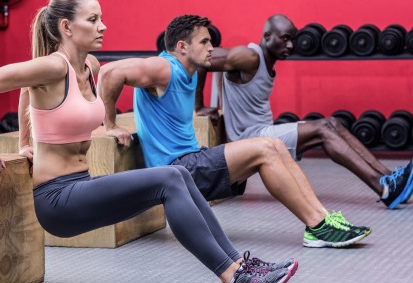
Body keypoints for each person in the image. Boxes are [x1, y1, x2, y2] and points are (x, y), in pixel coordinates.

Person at [0, 0, 298, 283]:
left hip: (82, 185)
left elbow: (27, 91)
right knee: (168, 178)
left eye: (101, 18)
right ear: (66, 27)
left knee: (180, 172)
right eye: (92, 20)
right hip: (57, 199)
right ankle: (232, 277)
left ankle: (239, 266)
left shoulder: (90, 66)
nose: (103, 26)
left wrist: (29, 139)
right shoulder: (52, 66)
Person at [98, 14, 371, 249]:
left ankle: (322, 219)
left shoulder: (188, 70)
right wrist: (109, 124)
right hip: (176, 170)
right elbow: (110, 72)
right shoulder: (164, 67)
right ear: (181, 46)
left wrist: (200, 107)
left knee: (272, 144)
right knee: (265, 147)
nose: (211, 48)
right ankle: (317, 226)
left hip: (193, 161)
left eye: (210, 41)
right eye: (204, 42)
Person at [193, 14, 413, 210]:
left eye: (293, 40)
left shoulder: (265, 61)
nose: (291, 46)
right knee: (323, 129)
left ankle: (389, 177)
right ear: (266, 37)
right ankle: (384, 187)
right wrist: (199, 105)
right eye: (284, 39)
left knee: (332, 122)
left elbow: (222, 72)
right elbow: (204, 58)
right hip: (251, 139)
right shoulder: (249, 56)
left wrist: (221, 102)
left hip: (264, 133)